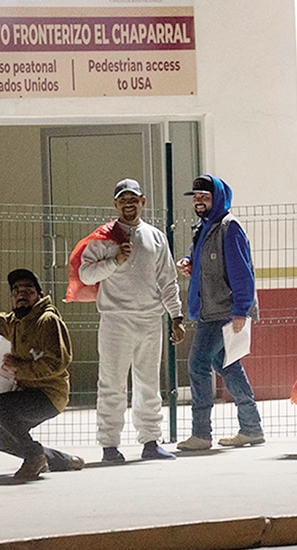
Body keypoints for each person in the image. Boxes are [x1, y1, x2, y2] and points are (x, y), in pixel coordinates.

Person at [79, 178, 185, 463]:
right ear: (115, 204)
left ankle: (151, 441)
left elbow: (167, 279)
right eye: (123, 199)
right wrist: (114, 262)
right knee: (111, 384)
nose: (129, 204)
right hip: (115, 321)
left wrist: (176, 315)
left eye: (133, 199)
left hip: (151, 320)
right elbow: (86, 275)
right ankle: (109, 446)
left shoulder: (156, 237)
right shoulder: (103, 238)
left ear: (143, 201)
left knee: (149, 384)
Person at [0, 269, 83, 479]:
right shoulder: (14, 322)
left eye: (28, 290)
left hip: (49, 396)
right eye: (16, 291)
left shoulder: (48, 321)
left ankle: (34, 455)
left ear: (39, 295)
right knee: (0, 440)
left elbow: (57, 363)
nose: (21, 294)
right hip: (28, 393)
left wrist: (19, 368)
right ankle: (61, 459)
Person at [174, 175, 265, 451]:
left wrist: (241, 310)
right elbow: (209, 260)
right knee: (227, 365)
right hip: (210, 309)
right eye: (196, 197)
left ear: (218, 198)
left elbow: (242, 273)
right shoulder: (204, 227)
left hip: (222, 311)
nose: (199, 201)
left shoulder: (229, 227)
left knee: (198, 364)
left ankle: (201, 434)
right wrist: (191, 262)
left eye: (205, 196)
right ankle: (251, 428)